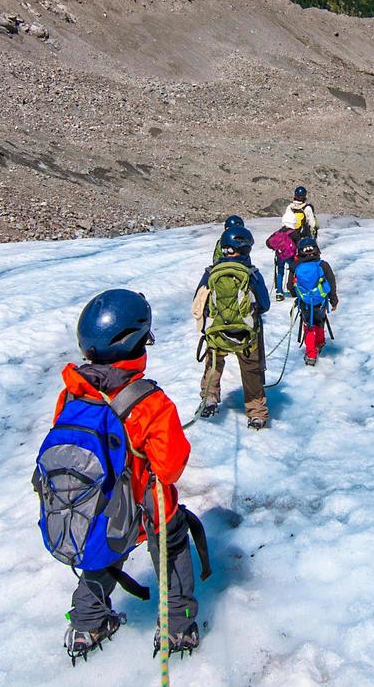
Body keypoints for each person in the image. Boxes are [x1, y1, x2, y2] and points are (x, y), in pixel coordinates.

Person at [36, 290, 203, 661]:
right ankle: (177, 626)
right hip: (145, 508)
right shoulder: (151, 403)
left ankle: (86, 622)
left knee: (103, 551)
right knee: (171, 539)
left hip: (95, 509)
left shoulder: (71, 394)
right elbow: (170, 467)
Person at [193, 225, 272, 429]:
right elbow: (265, 305)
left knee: (213, 364)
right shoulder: (251, 273)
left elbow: (198, 301)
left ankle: (209, 398)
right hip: (245, 335)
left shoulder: (211, 272)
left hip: (217, 332)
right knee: (251, 370)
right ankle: (256, 412)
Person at [288, 237, 338, 365]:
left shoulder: (295, 266)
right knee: (320, 321)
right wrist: (333, 300)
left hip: (305, 302)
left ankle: (311, 355)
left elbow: (290, 287)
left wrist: (298, 295)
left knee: (308, 325)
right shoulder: (323, 265)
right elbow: (331, 282)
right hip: (320, 301)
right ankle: (320, 343)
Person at [265, 224, 298, 302]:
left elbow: (268, 242)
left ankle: (279, 292)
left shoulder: (278, 232)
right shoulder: (294, 233)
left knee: (280, 273)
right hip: (291, 256)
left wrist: (276, 248)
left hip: (280, 256)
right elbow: (298, 245)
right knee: (294, 271)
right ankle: (294, 289)